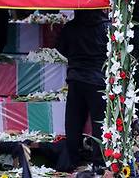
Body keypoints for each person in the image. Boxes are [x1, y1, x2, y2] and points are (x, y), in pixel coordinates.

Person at [56, 10, 108, 171]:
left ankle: (72, 158)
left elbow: (60, 47)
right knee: (99, 122)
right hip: (98, 80)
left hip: (76, 78)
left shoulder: (70, 27)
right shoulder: (106, 28)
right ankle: (99, 160)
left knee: (73, 121)